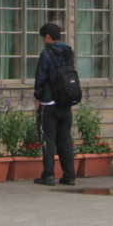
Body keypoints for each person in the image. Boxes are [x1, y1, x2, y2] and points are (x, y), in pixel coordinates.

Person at [33, 22, 75, 185]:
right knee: (64, 139)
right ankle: (69, 175)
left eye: (43, 38)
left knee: (48, 139)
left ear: (48, 37)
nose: (44, 41)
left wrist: (38, 97)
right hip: (65, 101)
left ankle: (49, 174)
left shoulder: (46, 54)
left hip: (49, 103)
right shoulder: (68, 52)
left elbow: (41, 78)